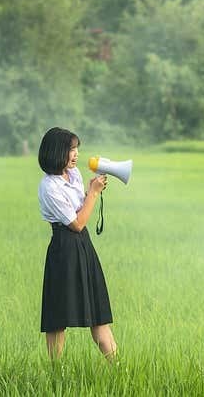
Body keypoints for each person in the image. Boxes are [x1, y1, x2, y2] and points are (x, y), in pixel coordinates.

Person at [37, 127, 117, 361]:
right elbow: (77, 223)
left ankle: (118, 369)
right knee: (57, 316)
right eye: (71, 149)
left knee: (98, 312)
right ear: (56, 152)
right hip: (64, 248)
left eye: (76, 149)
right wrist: (92, 193)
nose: (76, 154)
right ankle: (56, 373)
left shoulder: (73, 176)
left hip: (83, 246)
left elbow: (82, 211)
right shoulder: (49, 187)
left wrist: (91, 191)